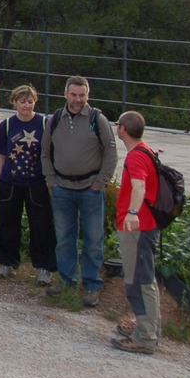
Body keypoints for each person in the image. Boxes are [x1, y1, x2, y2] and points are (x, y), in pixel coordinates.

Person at [41, 75, 117, 307]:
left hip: (90, 190)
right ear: (65, 94)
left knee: (93, 240)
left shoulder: (97, 119)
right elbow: (45, 152)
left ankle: (92, 285)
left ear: (87, 95)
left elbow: (111, 154)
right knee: (64, 238)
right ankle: (67, 281)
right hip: (62, 189)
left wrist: (99, 183)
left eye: (82, 95)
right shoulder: (55, 120)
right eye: (73, 95)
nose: (77, 99)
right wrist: (51, 180)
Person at [0, 85, 56, 285]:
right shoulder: (7, 125)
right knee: (7, 223)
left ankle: (44, 267)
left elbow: (51, 153)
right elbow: (1, 153)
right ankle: (6, 262)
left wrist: (50, 180)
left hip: (37, 182)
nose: (27, 106)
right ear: (14, 103)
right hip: (10, 182)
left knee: (42, 225)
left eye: (30, 102)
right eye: (22, 102)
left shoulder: (44, 123)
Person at [111, 111, 161, 355]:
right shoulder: (146, 150)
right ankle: (148, 328)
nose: (116, 128)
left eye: (118, 125)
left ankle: (145, 337)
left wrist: (132, 212)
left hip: (138, 228)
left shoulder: (136, 157)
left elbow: (139, 186)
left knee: (138, 281)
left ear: (123, 130)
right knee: (144, 279)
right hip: (147, 226)